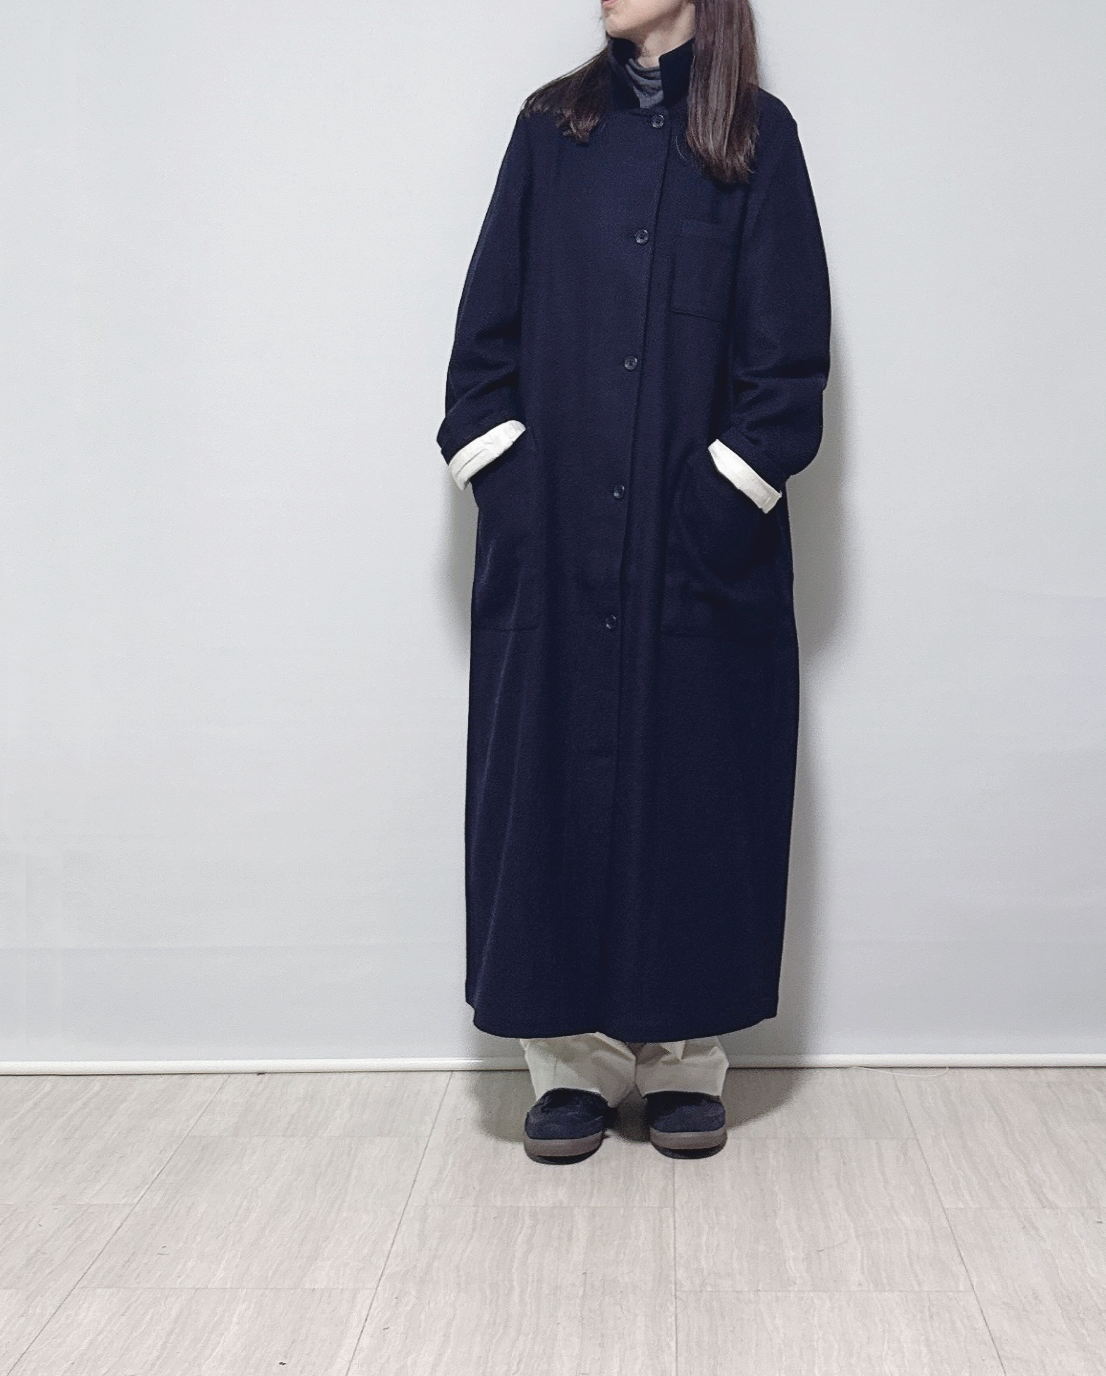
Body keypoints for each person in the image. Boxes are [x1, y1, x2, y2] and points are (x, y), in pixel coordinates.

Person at [436, 0, 830, 1163]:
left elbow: (788, 363)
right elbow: (481, 345)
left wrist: (720, 500)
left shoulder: (757, 139)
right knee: (550, 787)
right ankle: (567, 1065)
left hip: (696, 552)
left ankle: (680, 1063)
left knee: (694, 789)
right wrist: (511, 484)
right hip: (554, 540)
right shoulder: (549, 131)